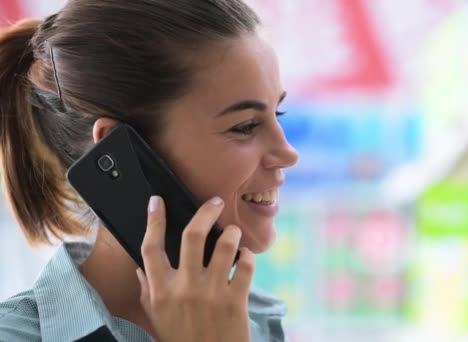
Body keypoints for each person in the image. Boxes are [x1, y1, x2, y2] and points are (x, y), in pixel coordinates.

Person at [0, 0, 299, 341]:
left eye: (278, 115)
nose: (288, 154)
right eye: (245, 126)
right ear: (117, 154)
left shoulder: (258, 325)